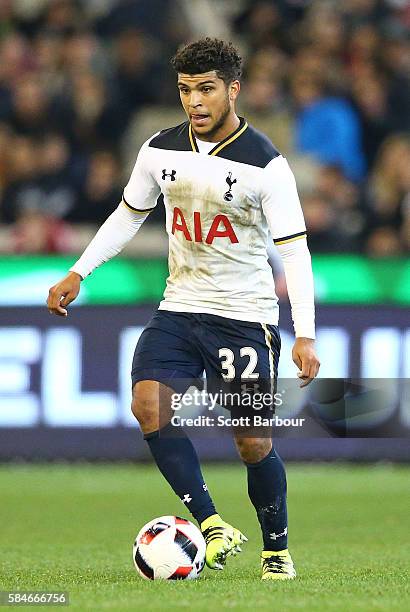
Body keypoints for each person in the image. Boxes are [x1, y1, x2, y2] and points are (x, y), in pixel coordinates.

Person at [47, 38, 320, 580]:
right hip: (179, 305)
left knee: (252, 441)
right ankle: (212, 525)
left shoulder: (267, 166)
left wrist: (305, 334)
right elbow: (129, 215)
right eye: (185, 90)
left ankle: (276, 552)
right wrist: (80, 270)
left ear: (232, 90)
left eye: (206, 89)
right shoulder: (159, 150)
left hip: (245, 316)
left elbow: (294, 251)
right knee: (148, 408)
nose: (194, 102)